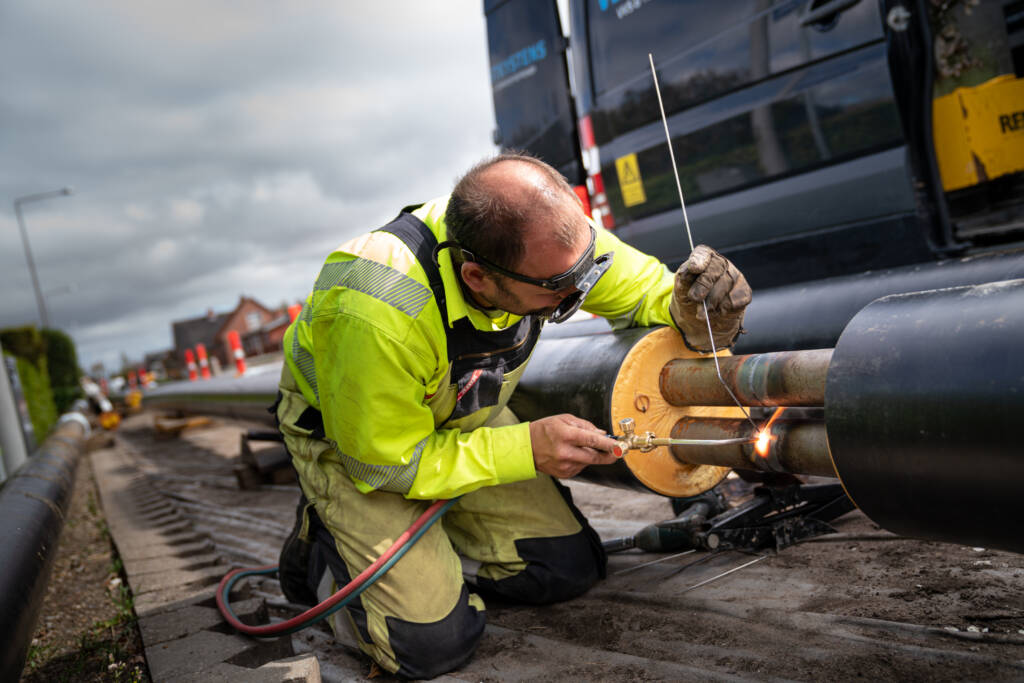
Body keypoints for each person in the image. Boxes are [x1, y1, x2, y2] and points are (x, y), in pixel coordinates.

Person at [274, 153, 751, 678]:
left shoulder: (551, 241)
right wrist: (526, 449)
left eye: (583, 274)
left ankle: (437, 554)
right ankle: (320, 553)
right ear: (476, 276)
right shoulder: (375, 305)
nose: (579, 292)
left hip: (460, 423)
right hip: (361, 454)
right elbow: (389, 463)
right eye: (557, 291)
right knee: (430, 647)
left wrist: (691, 308)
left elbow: (645, 293)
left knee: (566, 570)